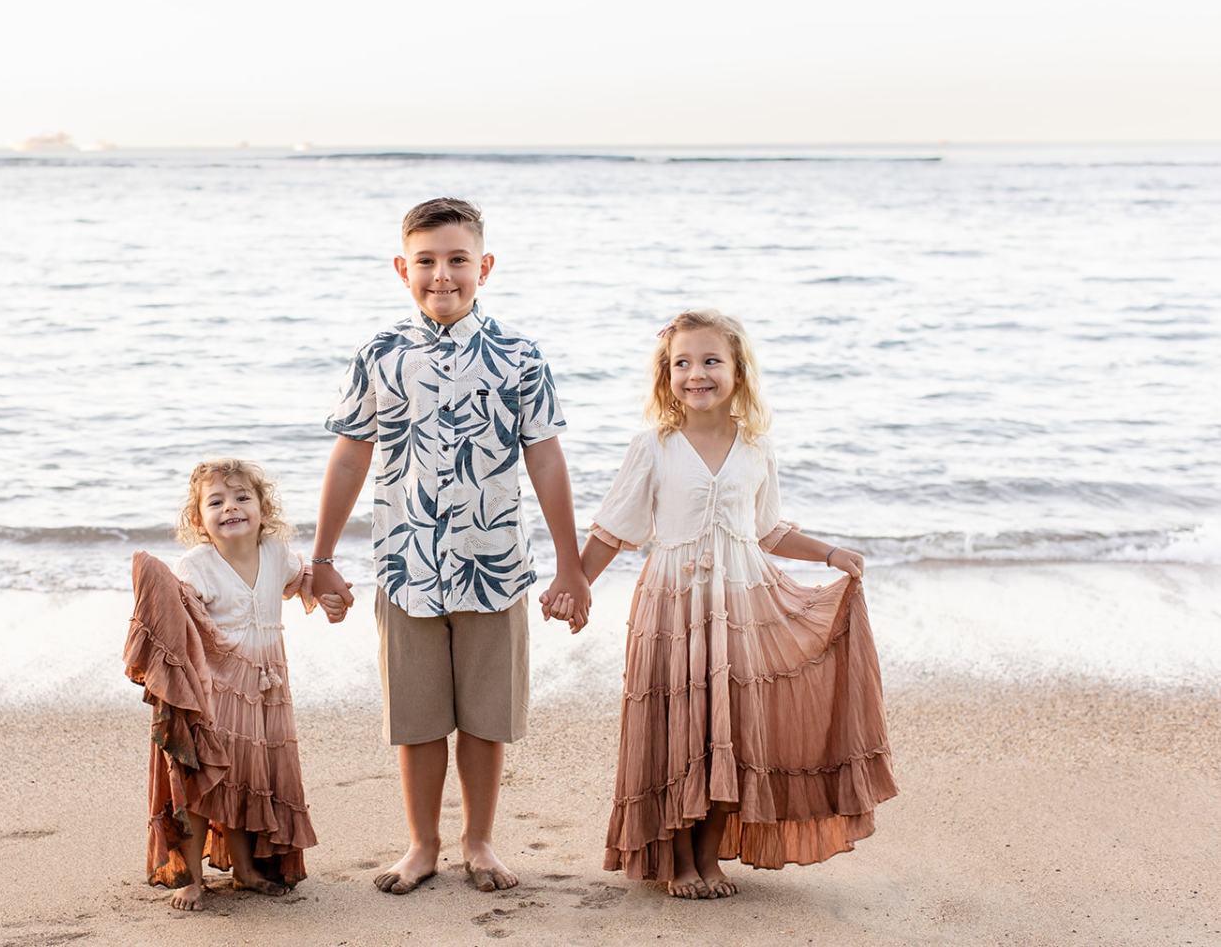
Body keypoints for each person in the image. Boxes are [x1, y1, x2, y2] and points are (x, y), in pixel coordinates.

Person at [566, 309, 896, 899]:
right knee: (678, 727)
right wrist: (575, 583)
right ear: (666, 376)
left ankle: (710, 854)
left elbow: (766, 531)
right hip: (672, 607)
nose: (697, 374)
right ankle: (677, 860)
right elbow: (614, 529)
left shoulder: (756, 447)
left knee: (733, 728)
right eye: (681, 363)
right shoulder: (654, 446)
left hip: (745, 603)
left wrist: (829, 553)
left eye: (711, 361)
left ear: (738, 370)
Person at [311, 197, 590, 895]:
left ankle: (480, 841)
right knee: (416, 718)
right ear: (402, 268)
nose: (443, 275)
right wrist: (320, 559)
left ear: (483, 267)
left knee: (487, 718)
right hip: (405, 567)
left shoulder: (518, 354)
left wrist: (570, 565)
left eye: (457, 260)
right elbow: (349, 457)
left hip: (494, 566)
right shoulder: (380, 353)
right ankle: (421, 845)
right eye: (427, 261)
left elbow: (546, 459)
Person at [122, 458, 319, 910]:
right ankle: (192, 879)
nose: (230, 507)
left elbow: (300, 578)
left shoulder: (275, 553)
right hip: (214, 692)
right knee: (202, 781)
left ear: (263, 510)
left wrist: (324, 593)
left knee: (245, 780)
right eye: (216, 502)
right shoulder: (197, 566)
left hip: (267, 693)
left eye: (242, 497)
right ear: (199, 520)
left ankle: (246, 871)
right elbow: (178, 620)